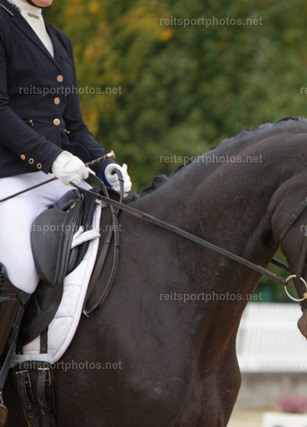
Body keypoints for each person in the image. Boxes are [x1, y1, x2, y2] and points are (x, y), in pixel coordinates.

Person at [0, 0, 131, 422]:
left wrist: (103, 165)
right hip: (10, 178)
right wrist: (52, 157)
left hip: (61, 178)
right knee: (21, 268)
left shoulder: (59, 39)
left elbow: (73, 126)